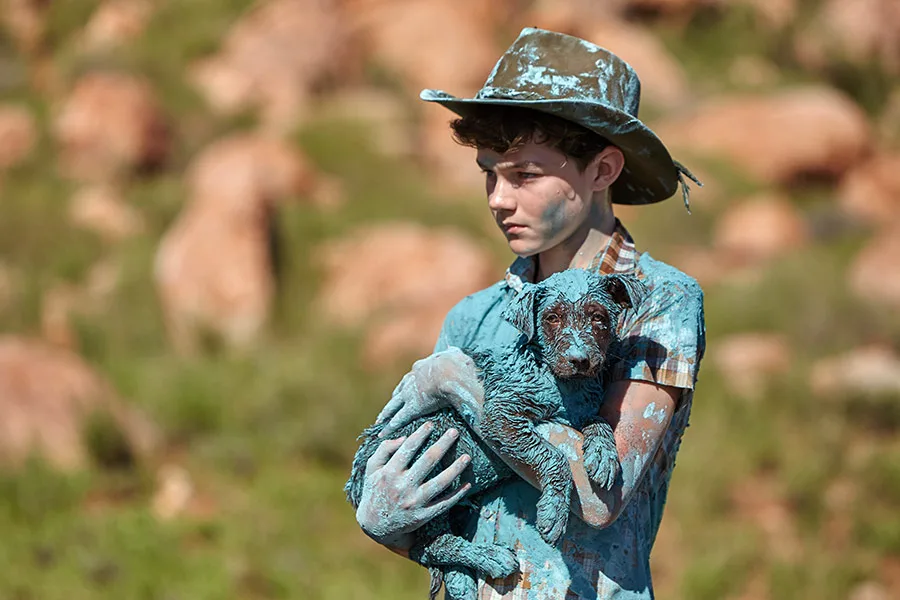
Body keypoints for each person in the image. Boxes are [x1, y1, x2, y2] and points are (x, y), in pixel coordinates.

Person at [353, 28, 706, 599]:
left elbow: (600, 496)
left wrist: (462, 382)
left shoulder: (657, 299)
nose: (499, 198)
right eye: (489, 173)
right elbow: (435, 493)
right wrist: (386, 517)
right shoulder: (475, 315)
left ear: (603, 170)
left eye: (525, 175)